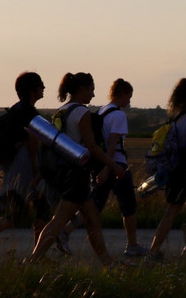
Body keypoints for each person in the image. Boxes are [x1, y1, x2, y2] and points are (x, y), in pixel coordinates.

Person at [29, 73, 119, 265]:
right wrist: (113, 165)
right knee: (60, 220)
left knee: (92, 218)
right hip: (77, 174)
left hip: (64, 171)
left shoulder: (61, 111)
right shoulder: (82, 113)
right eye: (91, 90)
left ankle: (108, 263)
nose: (93, 95)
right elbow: (92, 147)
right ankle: (33, 260)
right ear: (82, 89)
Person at [60, 79, 146, 257]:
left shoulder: (102, 111)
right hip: (116, 165)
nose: (129, 101)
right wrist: (110, 167)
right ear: (122, 94)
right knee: (128, 205)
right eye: (129, 96)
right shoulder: (119, 116)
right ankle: (132, 244)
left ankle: (65, 231)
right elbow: (113, 143)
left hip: (100, 165)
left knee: (94, 206)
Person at [0, 72, 51, 258]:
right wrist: (37, 170)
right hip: (25, 168)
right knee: (21, 212)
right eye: (41, 84)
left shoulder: (17, 109)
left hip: (16, 166)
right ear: (32, 89)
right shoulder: (29, 112)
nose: (44, 87)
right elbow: (32, 143)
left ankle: (38, 255)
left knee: (39, 209)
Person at [146, 78, 186, 260]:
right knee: (171, 212)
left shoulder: (175, 116)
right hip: (185, 174)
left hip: (176, 171)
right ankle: (153, 251)